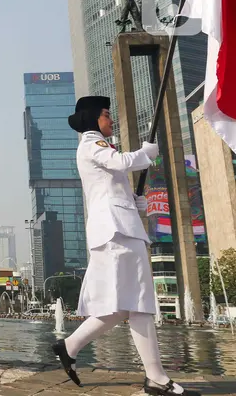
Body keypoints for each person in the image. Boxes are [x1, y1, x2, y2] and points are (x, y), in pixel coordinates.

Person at [53, 96, 199, 396]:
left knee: (127, 305)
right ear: (94, 118)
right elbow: (119, 163)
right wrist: (145, 154)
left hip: (120, 228)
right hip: (115, 231)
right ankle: (155, 377)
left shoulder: (100, 147)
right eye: (107, 115)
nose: (111, 120)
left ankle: (70, 347)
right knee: (136, 302)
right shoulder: (93, 145)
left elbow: (111, 187)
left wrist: (135, 202)